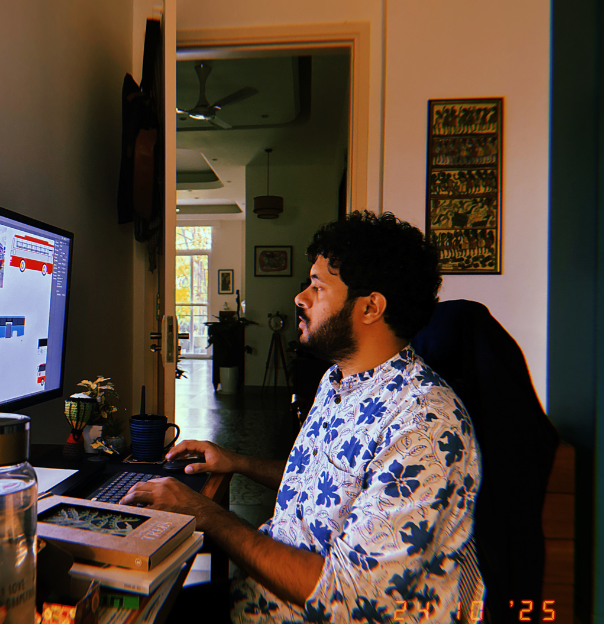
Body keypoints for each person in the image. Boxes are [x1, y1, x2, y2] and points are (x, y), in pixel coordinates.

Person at [122, 211, 482, 623]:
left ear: (370, 307)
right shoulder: (338, 380)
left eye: (317, 286)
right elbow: (321, 484)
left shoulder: (423, 425)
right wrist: (237, 462)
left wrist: (206, 513)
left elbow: (347, 596)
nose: (301, 297)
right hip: (259, 597)